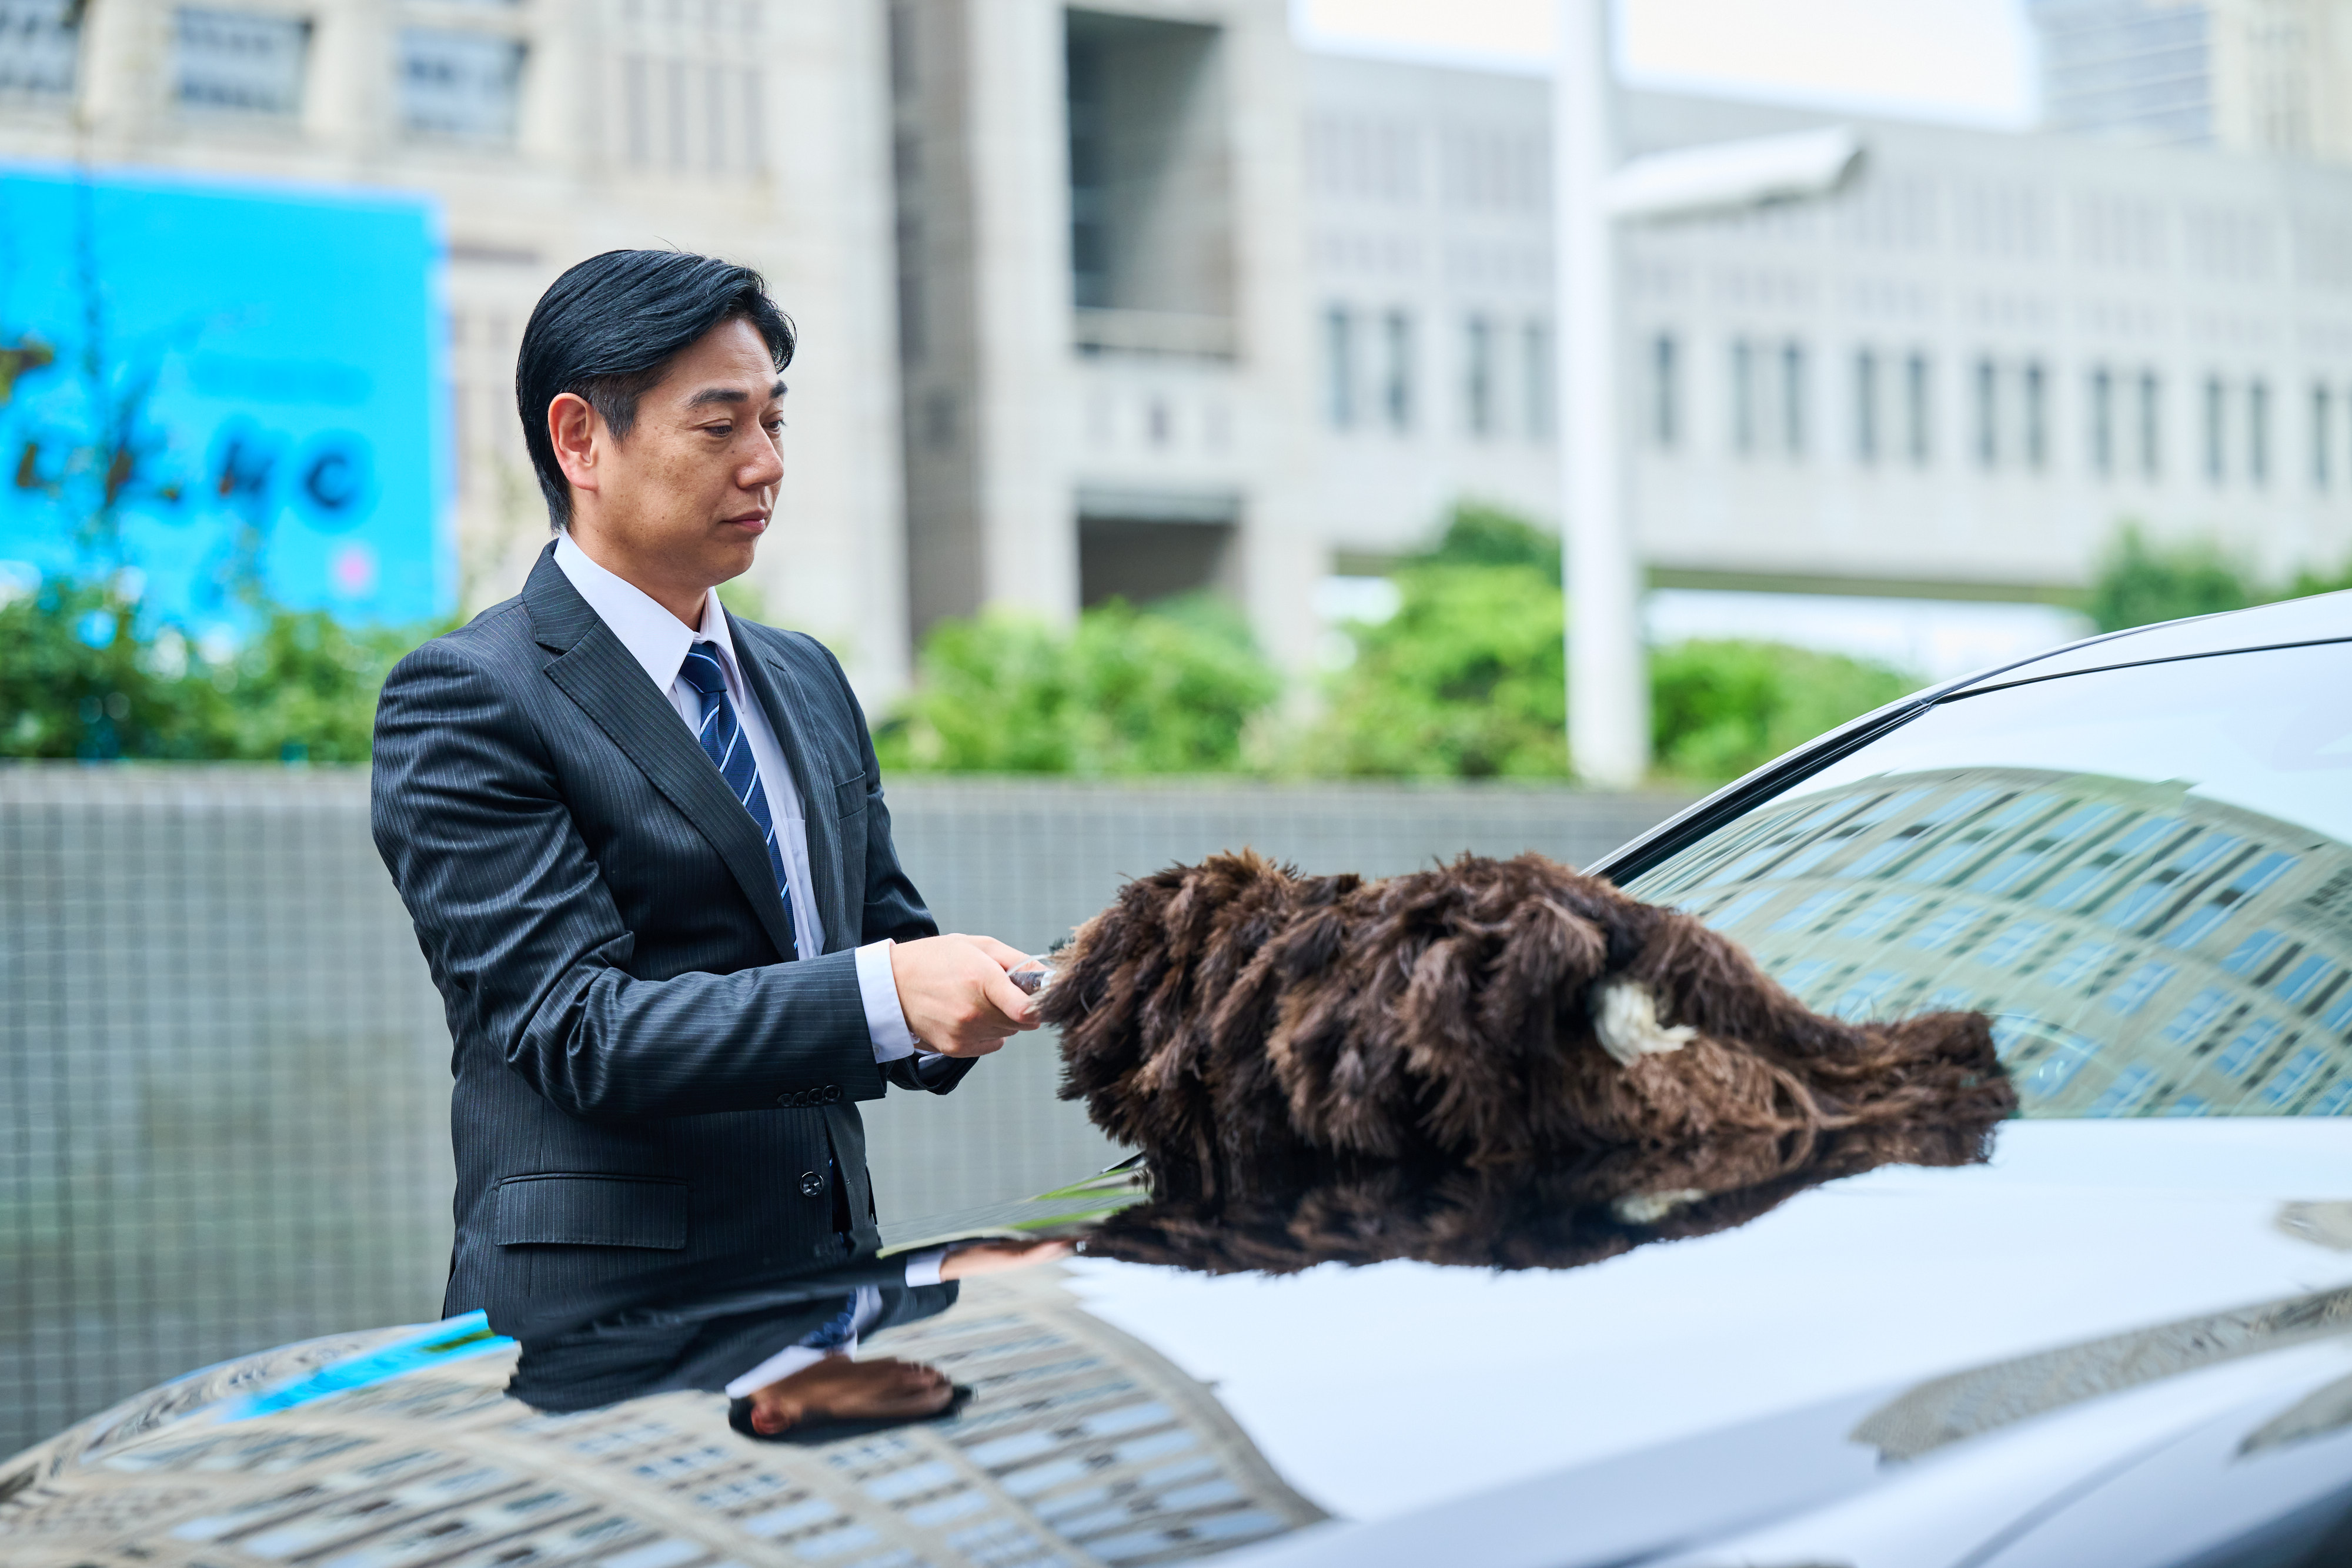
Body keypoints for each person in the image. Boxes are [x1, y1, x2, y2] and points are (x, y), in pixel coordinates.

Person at [372, 249, 1041, 1333]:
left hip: (826, 1293)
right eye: (720, 427)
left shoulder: (807, 678)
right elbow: (576, 1030)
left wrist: (1054, 979)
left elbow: (882, 946)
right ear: (580, 438)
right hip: (601, 1328)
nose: (766, 464)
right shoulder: (466, 697)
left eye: (776, 422)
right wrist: (887, 994)